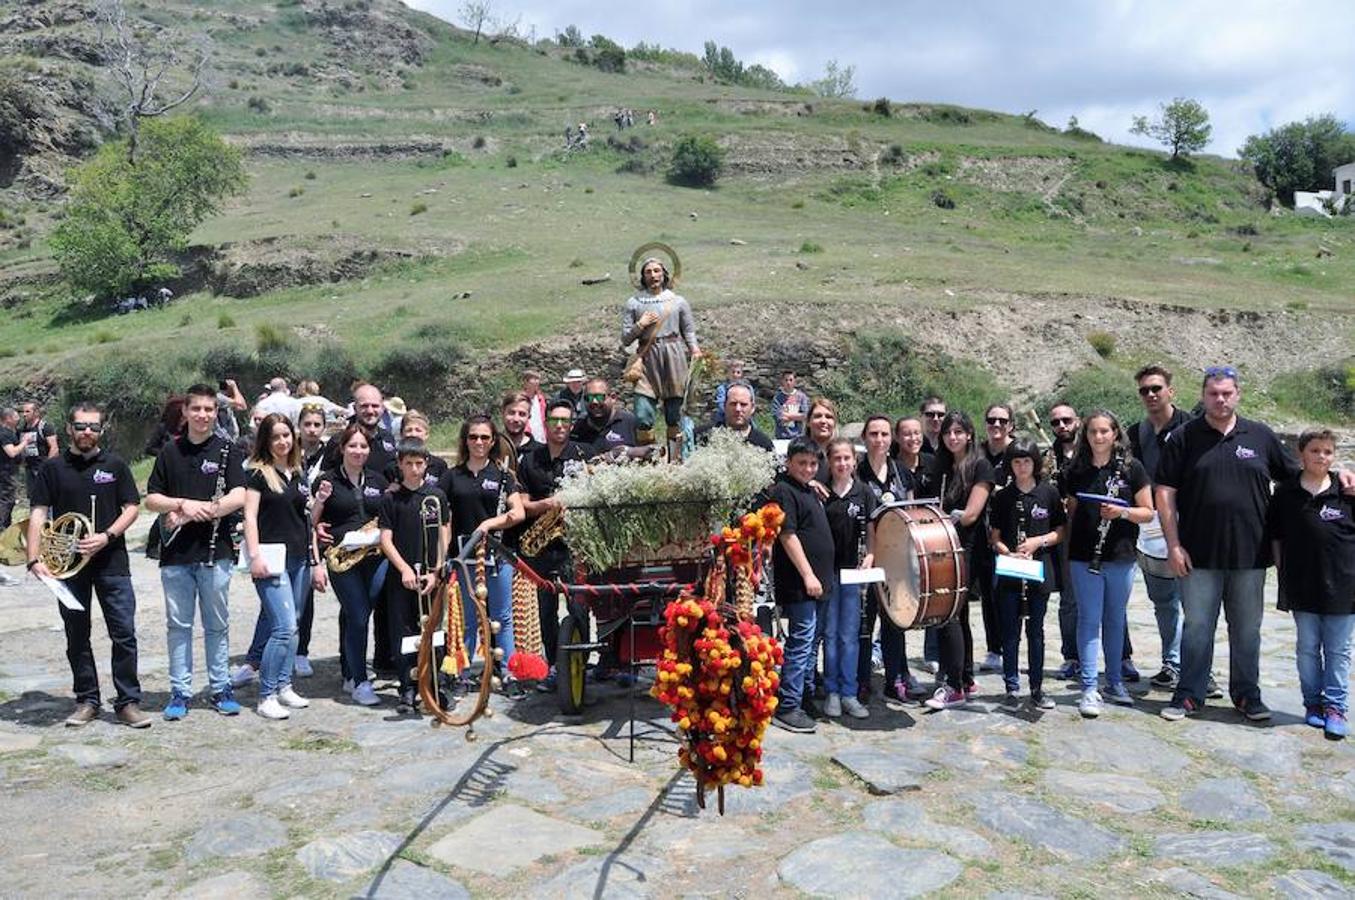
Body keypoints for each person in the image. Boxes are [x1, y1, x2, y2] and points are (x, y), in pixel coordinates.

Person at [1156, 366, 1311, 722]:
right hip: (1197, 555)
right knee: (1197, 628)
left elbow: (1297, 478)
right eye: (1213, 393)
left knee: (1247, 631)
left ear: (1238, 394)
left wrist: (1337, 476)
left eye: (1227, 393)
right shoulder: (1184, 437)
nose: (1220, 400)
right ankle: (1189, 694)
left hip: (1250, 555)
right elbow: (1164, 493)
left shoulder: (1260, 436)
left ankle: (1246, 695)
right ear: (1203, 395)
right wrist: (1173, 545)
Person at [26, 403, 150, 728]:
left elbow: (132, 507)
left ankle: (127, 702)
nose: (87, 432)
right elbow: (38, 512)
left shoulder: (116, 465)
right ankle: (87, 701)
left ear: (101, 430)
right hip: (68, 567)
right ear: (69, 428)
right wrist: (33, 558)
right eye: (81, 426)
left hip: (112, 562)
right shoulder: (52, 468)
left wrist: (106, 536)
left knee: (123, 633)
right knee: (77, 635)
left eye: (94, 427)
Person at [145, 384, 247, 720]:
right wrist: (181, 503)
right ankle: (180, 692)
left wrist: (196, 512)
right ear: (185, 412)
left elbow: (239, 496)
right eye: (197, 409)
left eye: (209, 409)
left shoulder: (228, 450)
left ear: (216, 413)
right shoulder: (169, 452)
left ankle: (220, 688)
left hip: (216, 553)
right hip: (176, 555)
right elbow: (152, 499)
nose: (203, 415)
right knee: (178, 626)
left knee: (217, 625)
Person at [1062, 410, 1154, 718]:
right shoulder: (1076, 469)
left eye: (1104, 431)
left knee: (1115, 620)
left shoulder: (1132, 468)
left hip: (1121, 555)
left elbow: (1148, 512)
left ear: (1115, 434)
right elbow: (1071, 512)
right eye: (1093, 432)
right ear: (1085, 436)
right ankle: (1089, 687)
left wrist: (1122, 512)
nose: (1098, 437)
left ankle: (1114, 681)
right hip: (1083, 556)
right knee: (1089, 620)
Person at [1268, 429, 1355, 739]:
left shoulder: (1347, 492)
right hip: (1302, 583)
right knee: (1307, 648)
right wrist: (1282, 571)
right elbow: (1276, 536)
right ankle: (1313, 703)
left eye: (1328, 451)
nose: (1322, 456)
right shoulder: (1286, 493)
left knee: (1338, 650)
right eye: (1315, 450)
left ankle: (1336, 708)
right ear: (1301, 454)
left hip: (1343, 585)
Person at [439, 416, 527, 698]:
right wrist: (443, 556)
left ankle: (508, 673)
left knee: (502, 617)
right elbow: (444, 520)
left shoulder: (503, 476)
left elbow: (517, 513)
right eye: (473, 437)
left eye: (484, 437)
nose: (479, 442)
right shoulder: (452, 476)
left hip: (496, 555)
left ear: (493, 441)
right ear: (465, 441)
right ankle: (462, 674)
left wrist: (489, 523)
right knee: (467, 619)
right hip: (464, 557)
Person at [311, 425, 389, 706]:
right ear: (342, 448)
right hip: (342, 558)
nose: (358, 451)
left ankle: (348, 669)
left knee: (357, 613)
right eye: (352, 446)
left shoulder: (378, 480)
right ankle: (360, 681)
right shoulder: (326, 480)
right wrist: (319, 505)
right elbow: (312, 522)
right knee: (358, 615)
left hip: (375, 557)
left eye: (363, 446)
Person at [241, 414, 312, 720]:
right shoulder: (258, 474)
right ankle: (266, 694)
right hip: (271, 559)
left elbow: (305, 516)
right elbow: (249, 517)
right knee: (282, 627)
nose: (282, 442)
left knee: (293, 623)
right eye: (275, 437)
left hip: (299, 557)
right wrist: (254, 555)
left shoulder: (298, 471)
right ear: (265, 441)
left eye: (286, 435)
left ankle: (284, 685)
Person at [1127, 365, 1193, 692]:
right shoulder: (1134, 434)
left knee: (1194, 604)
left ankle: (1198, 668)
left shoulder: (1193, 429)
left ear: (1170, 391)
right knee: (1164, 602)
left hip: (1189, 527)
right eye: (1145, 390)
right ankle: (1172, 662)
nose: (1151, 394)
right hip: (1150, 530)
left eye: (1156, 388)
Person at [988, 439, 1066, 709]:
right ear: (1010, 465)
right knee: (1010, 633)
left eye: (1027, 461)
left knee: (1036, 631)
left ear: (1035, 463)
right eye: (1017, 462)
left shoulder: (1049, 493)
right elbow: (995, 537)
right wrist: (1007, 552)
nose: (1022, 467)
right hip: (1011, 570)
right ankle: (1011, 686)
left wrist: (1036, 542)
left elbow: (1060, 531)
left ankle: (1036, 687)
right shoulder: (1002, 497)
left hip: (1039, 569)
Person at [924, 412, 994, 711]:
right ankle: (964, 677)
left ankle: (953, 686)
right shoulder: (941, 466)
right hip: (944, 547)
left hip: (968, 549)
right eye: (947, 433)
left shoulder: (980, 466)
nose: (952, 437)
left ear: (969, 435)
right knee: (958, 614)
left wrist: (952, 517)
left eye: (958, 432)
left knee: (949, 613)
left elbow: (971, 514)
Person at [517, 399, 589, 691]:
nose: (559, 426)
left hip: (575, 544)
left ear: (571, 425)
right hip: (542, 546)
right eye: (554, 421)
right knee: (545, 611)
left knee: (579, 607)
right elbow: (523, 503)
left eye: (565, 421)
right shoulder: (530, 460)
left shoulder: (584, 454)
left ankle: (581, 666)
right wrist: (547, 504)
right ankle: (554, 666)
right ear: (545, 424)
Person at [379, 439, 450, 712]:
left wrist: (437, 570)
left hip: (431, 576)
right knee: (404, 632)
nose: (414, 469)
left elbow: (444, 534)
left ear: (426, 464)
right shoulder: (391, 499)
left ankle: (434, 685)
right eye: (408, 463)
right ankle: (407, 688)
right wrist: (404, 569)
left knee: (434, 630)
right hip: (403, 577)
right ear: (400, 464)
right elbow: (386, 539)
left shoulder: (436, 496)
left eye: (419, 463)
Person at [857, 415, 923, 702]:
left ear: (891, 438)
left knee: (895, 620)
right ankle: (861, 679)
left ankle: (896, 678)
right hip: (865, 557)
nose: (879, 439)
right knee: (864, 620)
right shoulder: (856, 472)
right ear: (864, 438)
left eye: (884, 434)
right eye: (874, 434)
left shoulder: (901, 472)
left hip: (897, 559)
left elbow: (911, 513)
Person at [770, 439, 834, 733]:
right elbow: (788, 535)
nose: (808, 469)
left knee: (811, 644)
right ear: (788, 463)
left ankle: (804, 696)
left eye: (812, 464)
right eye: (801, 463)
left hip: (819, 582)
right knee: (801, 642)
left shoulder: (808, 489)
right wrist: (808, 575)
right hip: (800, 583)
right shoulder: (784, 490)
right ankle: (788, 705)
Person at [621, 255, 702, 451]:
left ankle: (676, 457)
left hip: (674, 356)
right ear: (643, 277)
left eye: (656, 271)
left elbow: (688, 330)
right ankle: (647, 456)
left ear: (664, 274)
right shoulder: (634, 303)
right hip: (647, 358)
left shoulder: (678, 301)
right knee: (642, 413)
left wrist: (694, 349)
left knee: (675, 412)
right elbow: (625, 338)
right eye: (648, 272)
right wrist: (640, 325)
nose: (653, 275)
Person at [822, 437, 874, 719]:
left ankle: (849, 692)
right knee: (830, 633)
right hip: (828, 572)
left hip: (853, 572)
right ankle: (831, 690)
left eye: (847, 458)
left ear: (855, 461)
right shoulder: (821, 491)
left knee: (849, 635)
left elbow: (872, 528)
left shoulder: (863, 492)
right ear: (829, 462)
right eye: (837, 458)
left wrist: (871, 555)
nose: (842, 463)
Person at [1043, 402, 1083, 681]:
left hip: (1094, 530)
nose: (1062, 426)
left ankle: (1122, 657)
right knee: (1069, 600)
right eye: (1056, 422)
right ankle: (1071, 657)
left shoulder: (1091, 450)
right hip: (1065, 536)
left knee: (1110, 601)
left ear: (1077, 421)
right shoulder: (1048, 457)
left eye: (1066, 420)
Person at [975, 403, 1015, 674]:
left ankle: (1013, 648)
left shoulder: (1019, 451)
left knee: (1012, 593)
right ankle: (994, 648)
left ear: (1011, 424)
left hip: (1012, 531)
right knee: (989, 593)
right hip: (983, 531)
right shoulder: (978, 453)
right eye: (991, 420)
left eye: (1002, 420)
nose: (996, 425)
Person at [292, 403, 329, 678]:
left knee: (311, 590)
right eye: (308, 424)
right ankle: (291, 648)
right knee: (296, 593)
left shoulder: (330, 455)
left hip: (323, 527)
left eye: (317, 425)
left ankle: (301, 650)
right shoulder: (288, 450)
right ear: (299, 426)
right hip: (294, 526)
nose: (312, 430)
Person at [694, 383, 774, 450]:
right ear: (724, 406)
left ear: (752, 408)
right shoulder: (703, 436)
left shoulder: (763, 444)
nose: (738, 409)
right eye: (733, 404)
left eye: (743, 404)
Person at [570, 378, 638, 453]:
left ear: (613, 398)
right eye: (589, 398)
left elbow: (645, 451)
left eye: (599, 397)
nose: (594, 402)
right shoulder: (579, 427)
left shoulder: (629, 422)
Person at [384, 410, 449, 485]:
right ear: (402, 434)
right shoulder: (391, 468)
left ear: (426, 434)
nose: (413, 434)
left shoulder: (439, 466)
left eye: (418, 430)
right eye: (409, 430)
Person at [18, 400, 58, 500]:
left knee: (46, 496)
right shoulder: (22, 429)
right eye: (23, 412)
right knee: (33, 498)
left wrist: (46, 466)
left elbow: (54, 448)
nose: (24, 414)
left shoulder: (45, 427)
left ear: (36, 413)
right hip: (29, 468)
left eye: (27, 411)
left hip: (43, 467)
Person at [0, 406, 25, 533]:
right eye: (16, 416)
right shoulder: (4, 433)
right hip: (5, 473)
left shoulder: (11, 432)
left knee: (8, 500)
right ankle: (2, 527)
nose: (19, 418)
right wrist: (25, 442)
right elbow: (12, 452)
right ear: (8, 418)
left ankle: (6, 525)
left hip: (8, 471)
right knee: (7, 500)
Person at [501, 391, 543, 464]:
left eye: (522, 414)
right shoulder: (491, 448)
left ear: (529, 417)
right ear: (502, 413)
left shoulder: (540, 453)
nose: (516, 419)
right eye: (511, 413)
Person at [771, 371, 809, 441]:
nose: (788, 383)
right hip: (781, 436)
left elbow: (805, 415)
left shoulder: (801, 397)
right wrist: (797, 416)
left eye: (791, 380)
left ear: (795, 381)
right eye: (786, 380)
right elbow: (777, 416)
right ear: (782, 381)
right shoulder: (777, 398)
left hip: (798, 436)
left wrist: (788, 416)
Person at [711, 360, 745, 426]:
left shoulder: (746, 388)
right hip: (724, 416)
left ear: (741, 375)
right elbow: (720, 404)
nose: (735, 375)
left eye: (738, 372)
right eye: (733, 372)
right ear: (728, 374)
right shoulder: (722, 388)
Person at [522, 371, 548, 444]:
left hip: (541, 436)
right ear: (526, 382)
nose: (537, 382)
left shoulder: (541, 398)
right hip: (527, 436)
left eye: (538, 379)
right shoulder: (521, 399)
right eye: (534, 379)